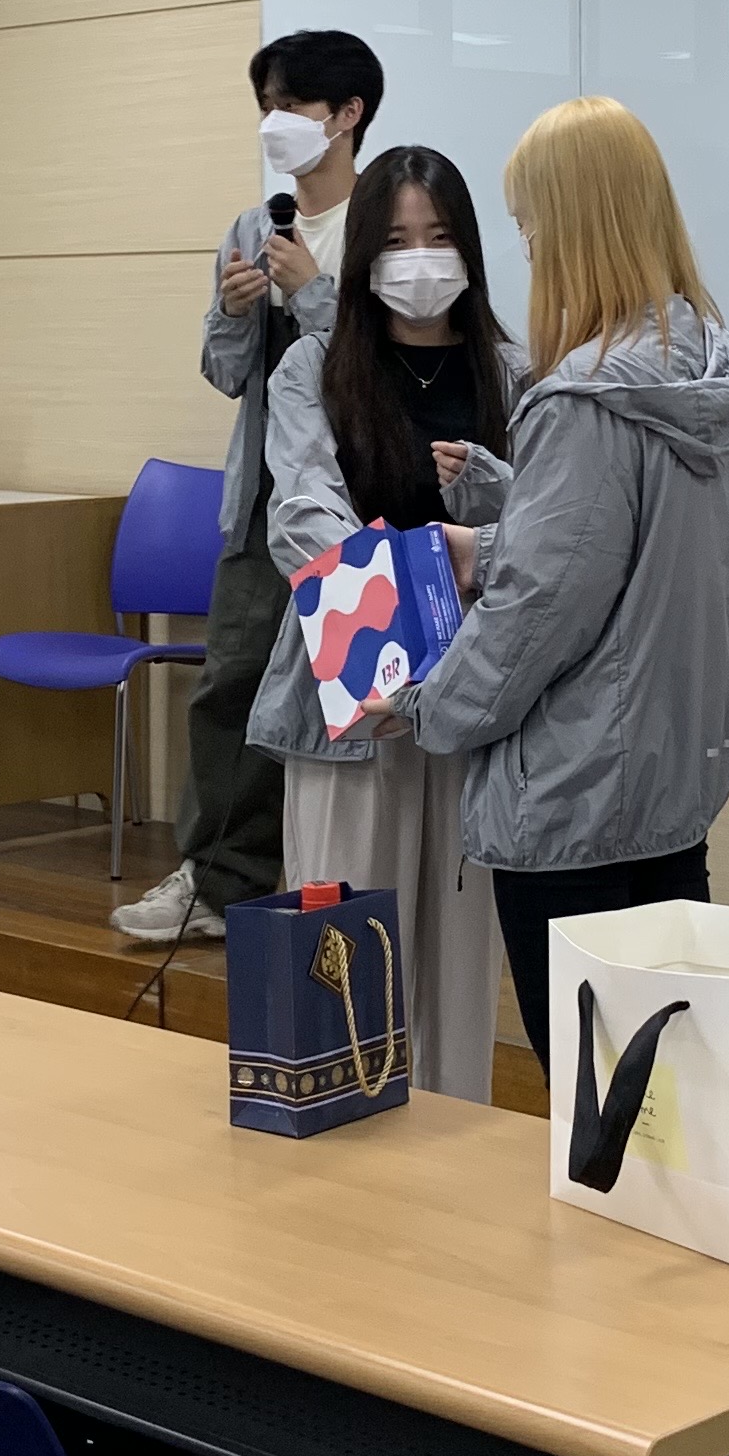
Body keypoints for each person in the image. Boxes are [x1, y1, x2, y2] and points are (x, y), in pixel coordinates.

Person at [390, 97, 729, 1065]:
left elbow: (538, 614)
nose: (528, 248)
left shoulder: (584, 396)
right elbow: (630, 561)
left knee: (596, 1094)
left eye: (528, 225)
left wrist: (429, 707)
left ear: (573, 224)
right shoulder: (708, 372)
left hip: (572, 799)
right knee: (673, 1087)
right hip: (667, 789)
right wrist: (497, 536)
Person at [250, 146, 522, 1098]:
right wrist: (405, 644)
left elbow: (554, 534)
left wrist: (492, 509)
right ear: (364, 253)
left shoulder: (518, 372)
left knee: (458, 957)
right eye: (398, 240)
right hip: (354, 693)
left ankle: (451, 1149)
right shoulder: (313, 368)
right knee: (345, 949)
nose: (419, 260)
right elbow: (303, 519)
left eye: (438, 237)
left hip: (479, 697)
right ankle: (340, 1148)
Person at [112, 29, 383, 948]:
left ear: (346, 114)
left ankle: (345, 893)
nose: (274, 122)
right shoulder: (253, 226)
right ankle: (216, 884)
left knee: (362, 699)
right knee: (231, 688)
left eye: (293, 105)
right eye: (265, 104)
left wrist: (313, 295)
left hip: (365, 505)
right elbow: (229, 374)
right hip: (264, 503)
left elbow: (391, 369)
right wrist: (233, 315)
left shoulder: (393, 223)